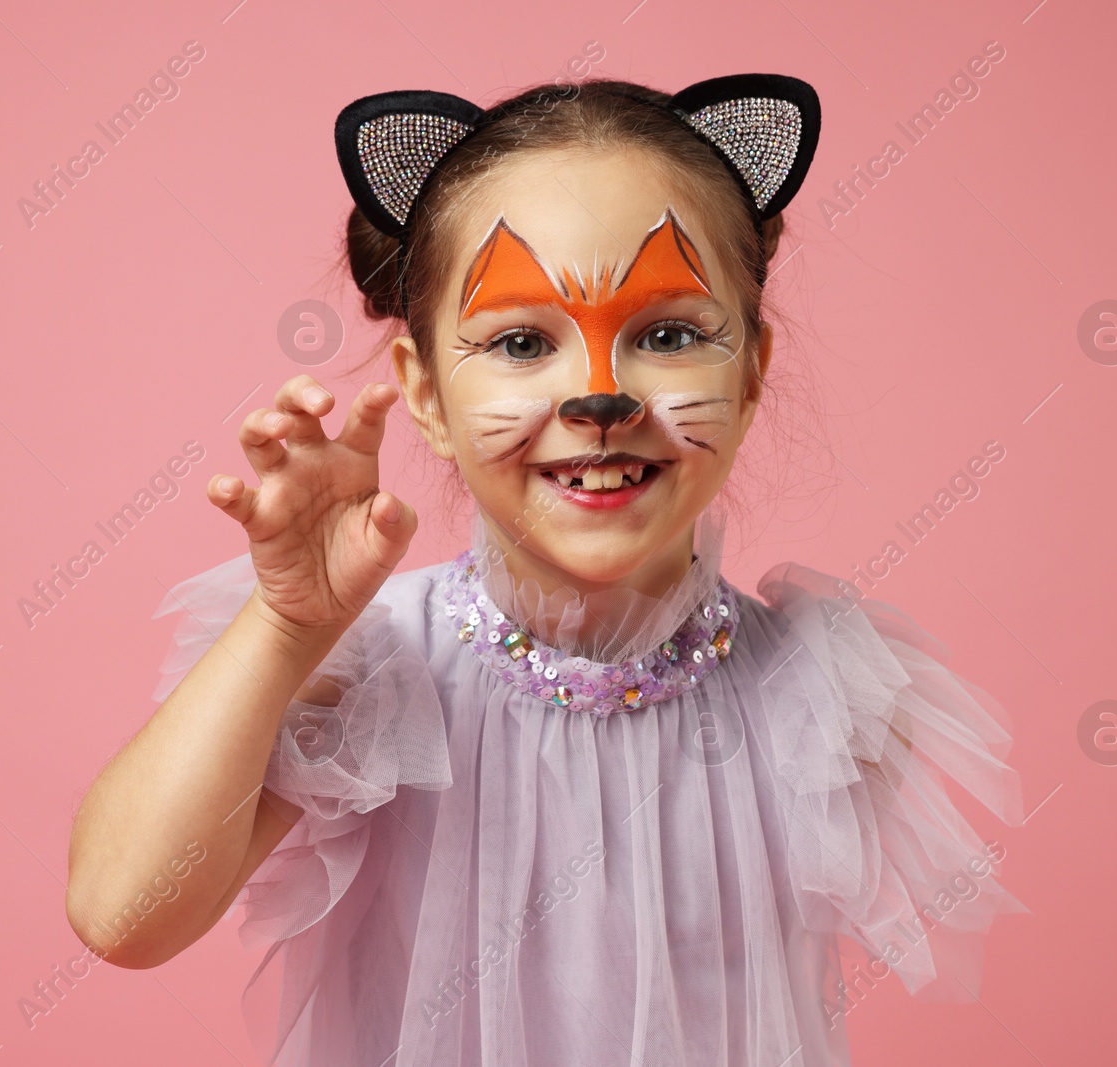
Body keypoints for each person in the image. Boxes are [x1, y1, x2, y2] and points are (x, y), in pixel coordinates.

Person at [65, 74, 1026, 1067]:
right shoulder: (366, 678)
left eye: (666, 334)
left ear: (748, 373)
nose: (598, 396)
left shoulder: (821, 698)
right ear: (426, 392)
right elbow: (120, 914)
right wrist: (284, 628)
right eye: (522, 341)